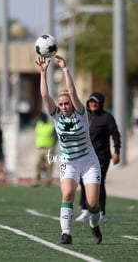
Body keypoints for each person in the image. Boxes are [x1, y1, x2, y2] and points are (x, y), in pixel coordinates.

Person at [35, 55, 102, 245]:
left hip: (88, 161)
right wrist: (43, 72)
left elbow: (72, 91)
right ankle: (66, 233)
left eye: (66, 104)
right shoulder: (56, 115)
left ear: (72, 104)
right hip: (69, 161)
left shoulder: (80, 114)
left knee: (92, 203)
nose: (64, 107)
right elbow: (45, 96)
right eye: (61, 104)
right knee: (67, 194)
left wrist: (65, 69)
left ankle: (94, 225)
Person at [75, 92, 121, 222]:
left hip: (102, 155)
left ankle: (101, 213)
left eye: (95, 101)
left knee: (98, 183)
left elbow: (116, 135)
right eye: (90, 101)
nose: (93, 104)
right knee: (83, 181)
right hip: (85, 155)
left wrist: (117, 151)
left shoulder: (107, 118)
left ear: (100, 103)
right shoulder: (84, 117)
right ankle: (85, 210)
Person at [34, 112, 57, 186]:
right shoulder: (38, 124)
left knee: (49, 165)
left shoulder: (51, 126)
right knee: (37, 164)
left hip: (49, 148)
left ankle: (48, 181)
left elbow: (55, 137)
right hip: (39, 148)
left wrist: (53, 146)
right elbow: (32, 122)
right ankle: (36, 181)